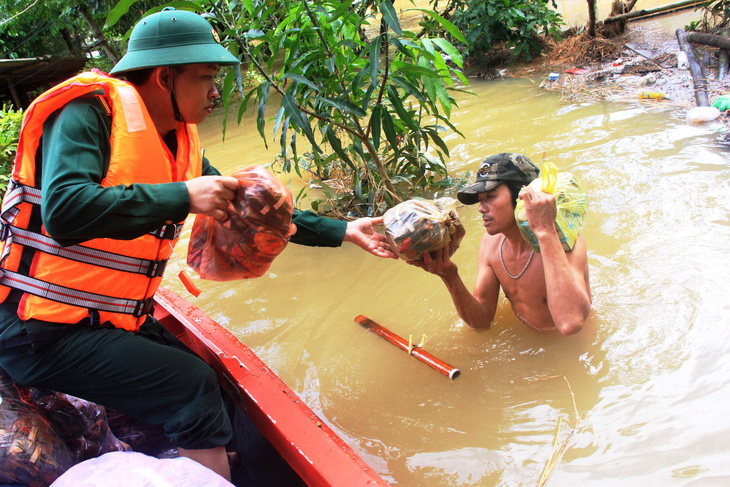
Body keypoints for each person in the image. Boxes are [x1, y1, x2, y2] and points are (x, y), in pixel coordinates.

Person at [0, 8, 392, 482]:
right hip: (34, 328)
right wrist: (184, 195)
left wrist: (344, 230)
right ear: (165, 77)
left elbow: (249, 210)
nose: (215, 92)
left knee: (206, 373)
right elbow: (65, 212)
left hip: (96, 314)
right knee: (190, 385)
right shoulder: (85, 115)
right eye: (206, 78)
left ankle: (213, 464)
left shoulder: (176, 139)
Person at [411, 153, 591, 335]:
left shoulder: (564, 242)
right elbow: (482, 323)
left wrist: (546, 232)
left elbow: (571, 324)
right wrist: (449, 276)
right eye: (481, 200)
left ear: (522, 196)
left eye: (490, 196)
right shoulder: (490, 244)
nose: (481, 208)